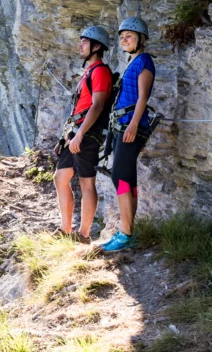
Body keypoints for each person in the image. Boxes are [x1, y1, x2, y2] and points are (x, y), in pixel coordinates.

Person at [53, 26, 113, 244]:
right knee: (60, 178)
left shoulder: (100, 72)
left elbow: (96, 107)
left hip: (87, 134)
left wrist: (79, 136)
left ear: (96, 47)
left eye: (85, 42)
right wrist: (66, 136)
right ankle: (65, 229)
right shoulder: (88, 72)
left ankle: (84, 235)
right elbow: (80, 107)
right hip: (77, 132)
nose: (80, 45)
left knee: (87, 183)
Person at [102, 17, 156, 252]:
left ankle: (126, 233)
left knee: (120, 176)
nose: (125, 39)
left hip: (130, 127)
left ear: (140, 39)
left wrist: (134, 125)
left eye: (130, 36)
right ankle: (128, 229)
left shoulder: (144, 61)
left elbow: (143, 97)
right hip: (122, 127)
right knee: (126, 178)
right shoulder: (133, 62)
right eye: (122, 36)